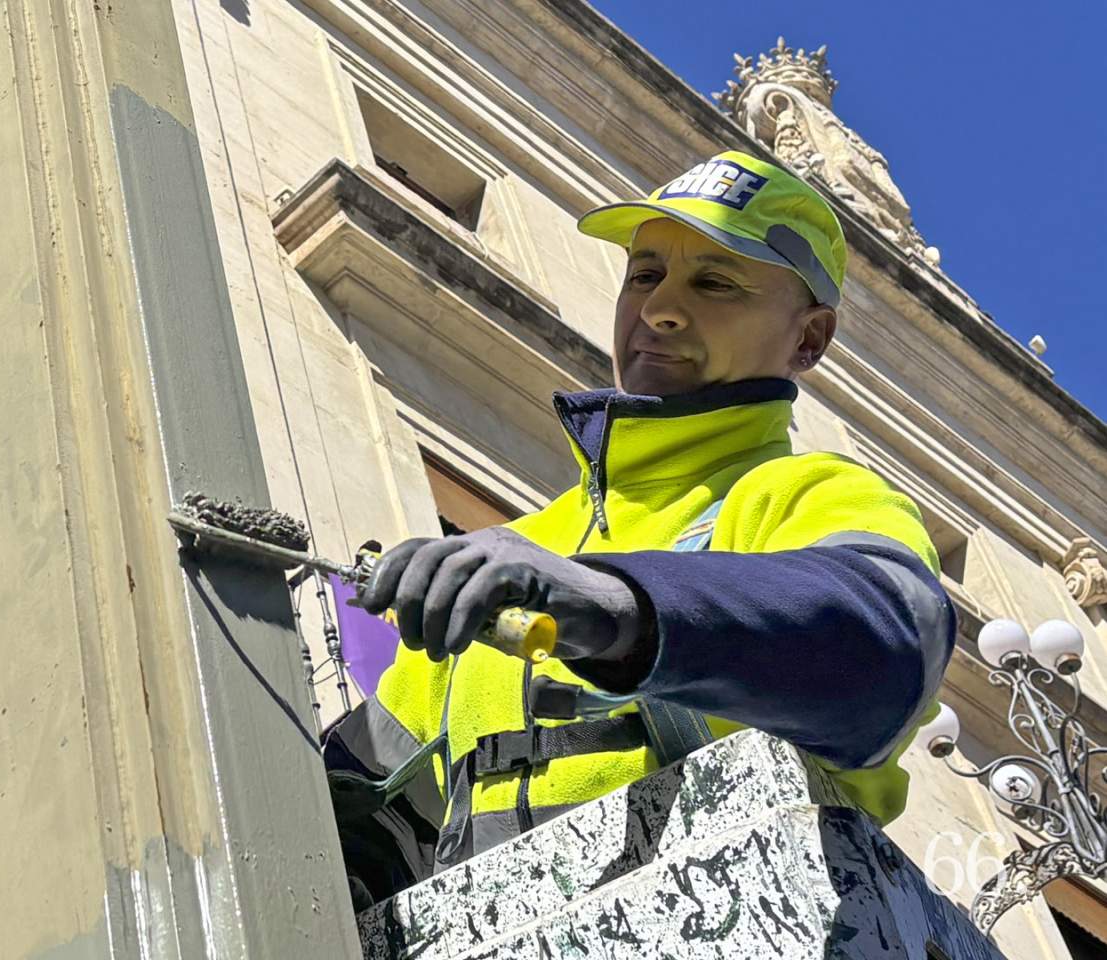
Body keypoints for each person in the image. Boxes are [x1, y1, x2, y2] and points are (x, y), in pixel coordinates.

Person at [323, 149, 954, 905]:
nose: (659, 309)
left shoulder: (801, 495)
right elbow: (365, 814)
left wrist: (616, 606)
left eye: (715, 281)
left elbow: (886, 645)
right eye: (645, 273)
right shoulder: (519, 552)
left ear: (808, 339)